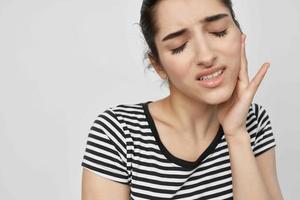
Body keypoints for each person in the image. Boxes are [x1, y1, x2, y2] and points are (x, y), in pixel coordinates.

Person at [81, 0, 284, 199]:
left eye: (218, 31)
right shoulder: (118, 133)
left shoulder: (253, 121)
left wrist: (236, 135)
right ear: (158, 66)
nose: (206, 56)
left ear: (240, 33)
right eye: (179, 46)